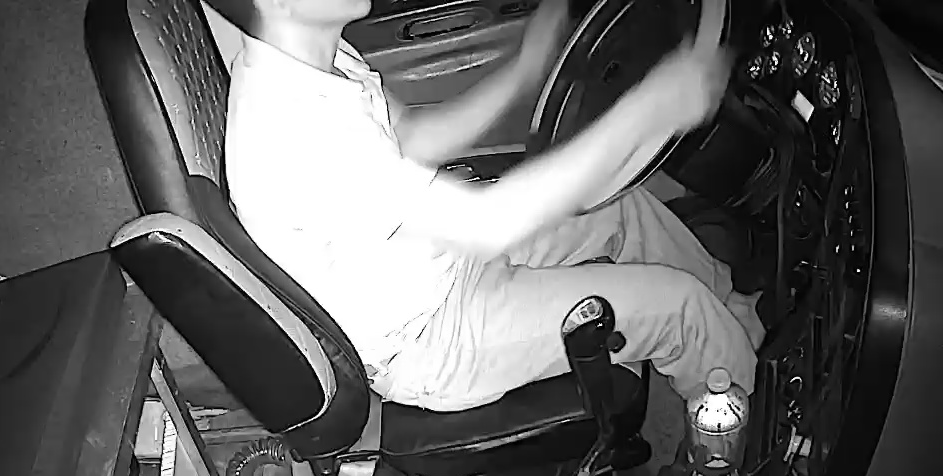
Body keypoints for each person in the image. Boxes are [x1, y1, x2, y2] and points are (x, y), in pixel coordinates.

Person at [222, 0, 766, 412]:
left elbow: (415, 137)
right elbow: (490, 223)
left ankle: (738, 319)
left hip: (438, 260)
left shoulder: (316, 56)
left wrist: (525, 70)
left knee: (621, 209)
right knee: (679, 308)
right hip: (428, 337)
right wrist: (653, 106)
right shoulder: (296, 128)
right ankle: (744, 437)